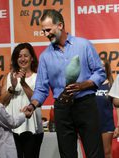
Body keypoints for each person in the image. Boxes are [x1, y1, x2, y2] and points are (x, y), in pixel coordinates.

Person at [26, 9, 106, 158]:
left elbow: (100, 72)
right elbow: (41, 89)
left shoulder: (84, 45)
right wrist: (32, 105)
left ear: (60, 25)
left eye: (48, 30)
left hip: (85, 104)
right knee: (67, 155)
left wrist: (84, 85)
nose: (45, 34)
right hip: (62, 109)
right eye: (43, 31)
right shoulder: (44, 57)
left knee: (95, 153)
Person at [0, 43, 44, 158]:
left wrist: (23, 83)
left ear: (32, 58)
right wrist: (13, 87)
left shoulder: (38, 77)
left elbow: (37, 100)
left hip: (32, 129)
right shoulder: (9, 76)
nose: (22, 59)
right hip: (12, 129)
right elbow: (3, 101)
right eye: (19, 56)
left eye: (26, 56)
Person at [95, 59, 115, 158]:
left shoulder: (111, 84)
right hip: (92, 125)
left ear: (106, 68)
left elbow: (118, 107)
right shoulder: (90, 85)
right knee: (94, 154)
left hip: (107, 124)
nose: (100, 67)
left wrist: (118, 126)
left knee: (106, 153)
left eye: (103, 65)